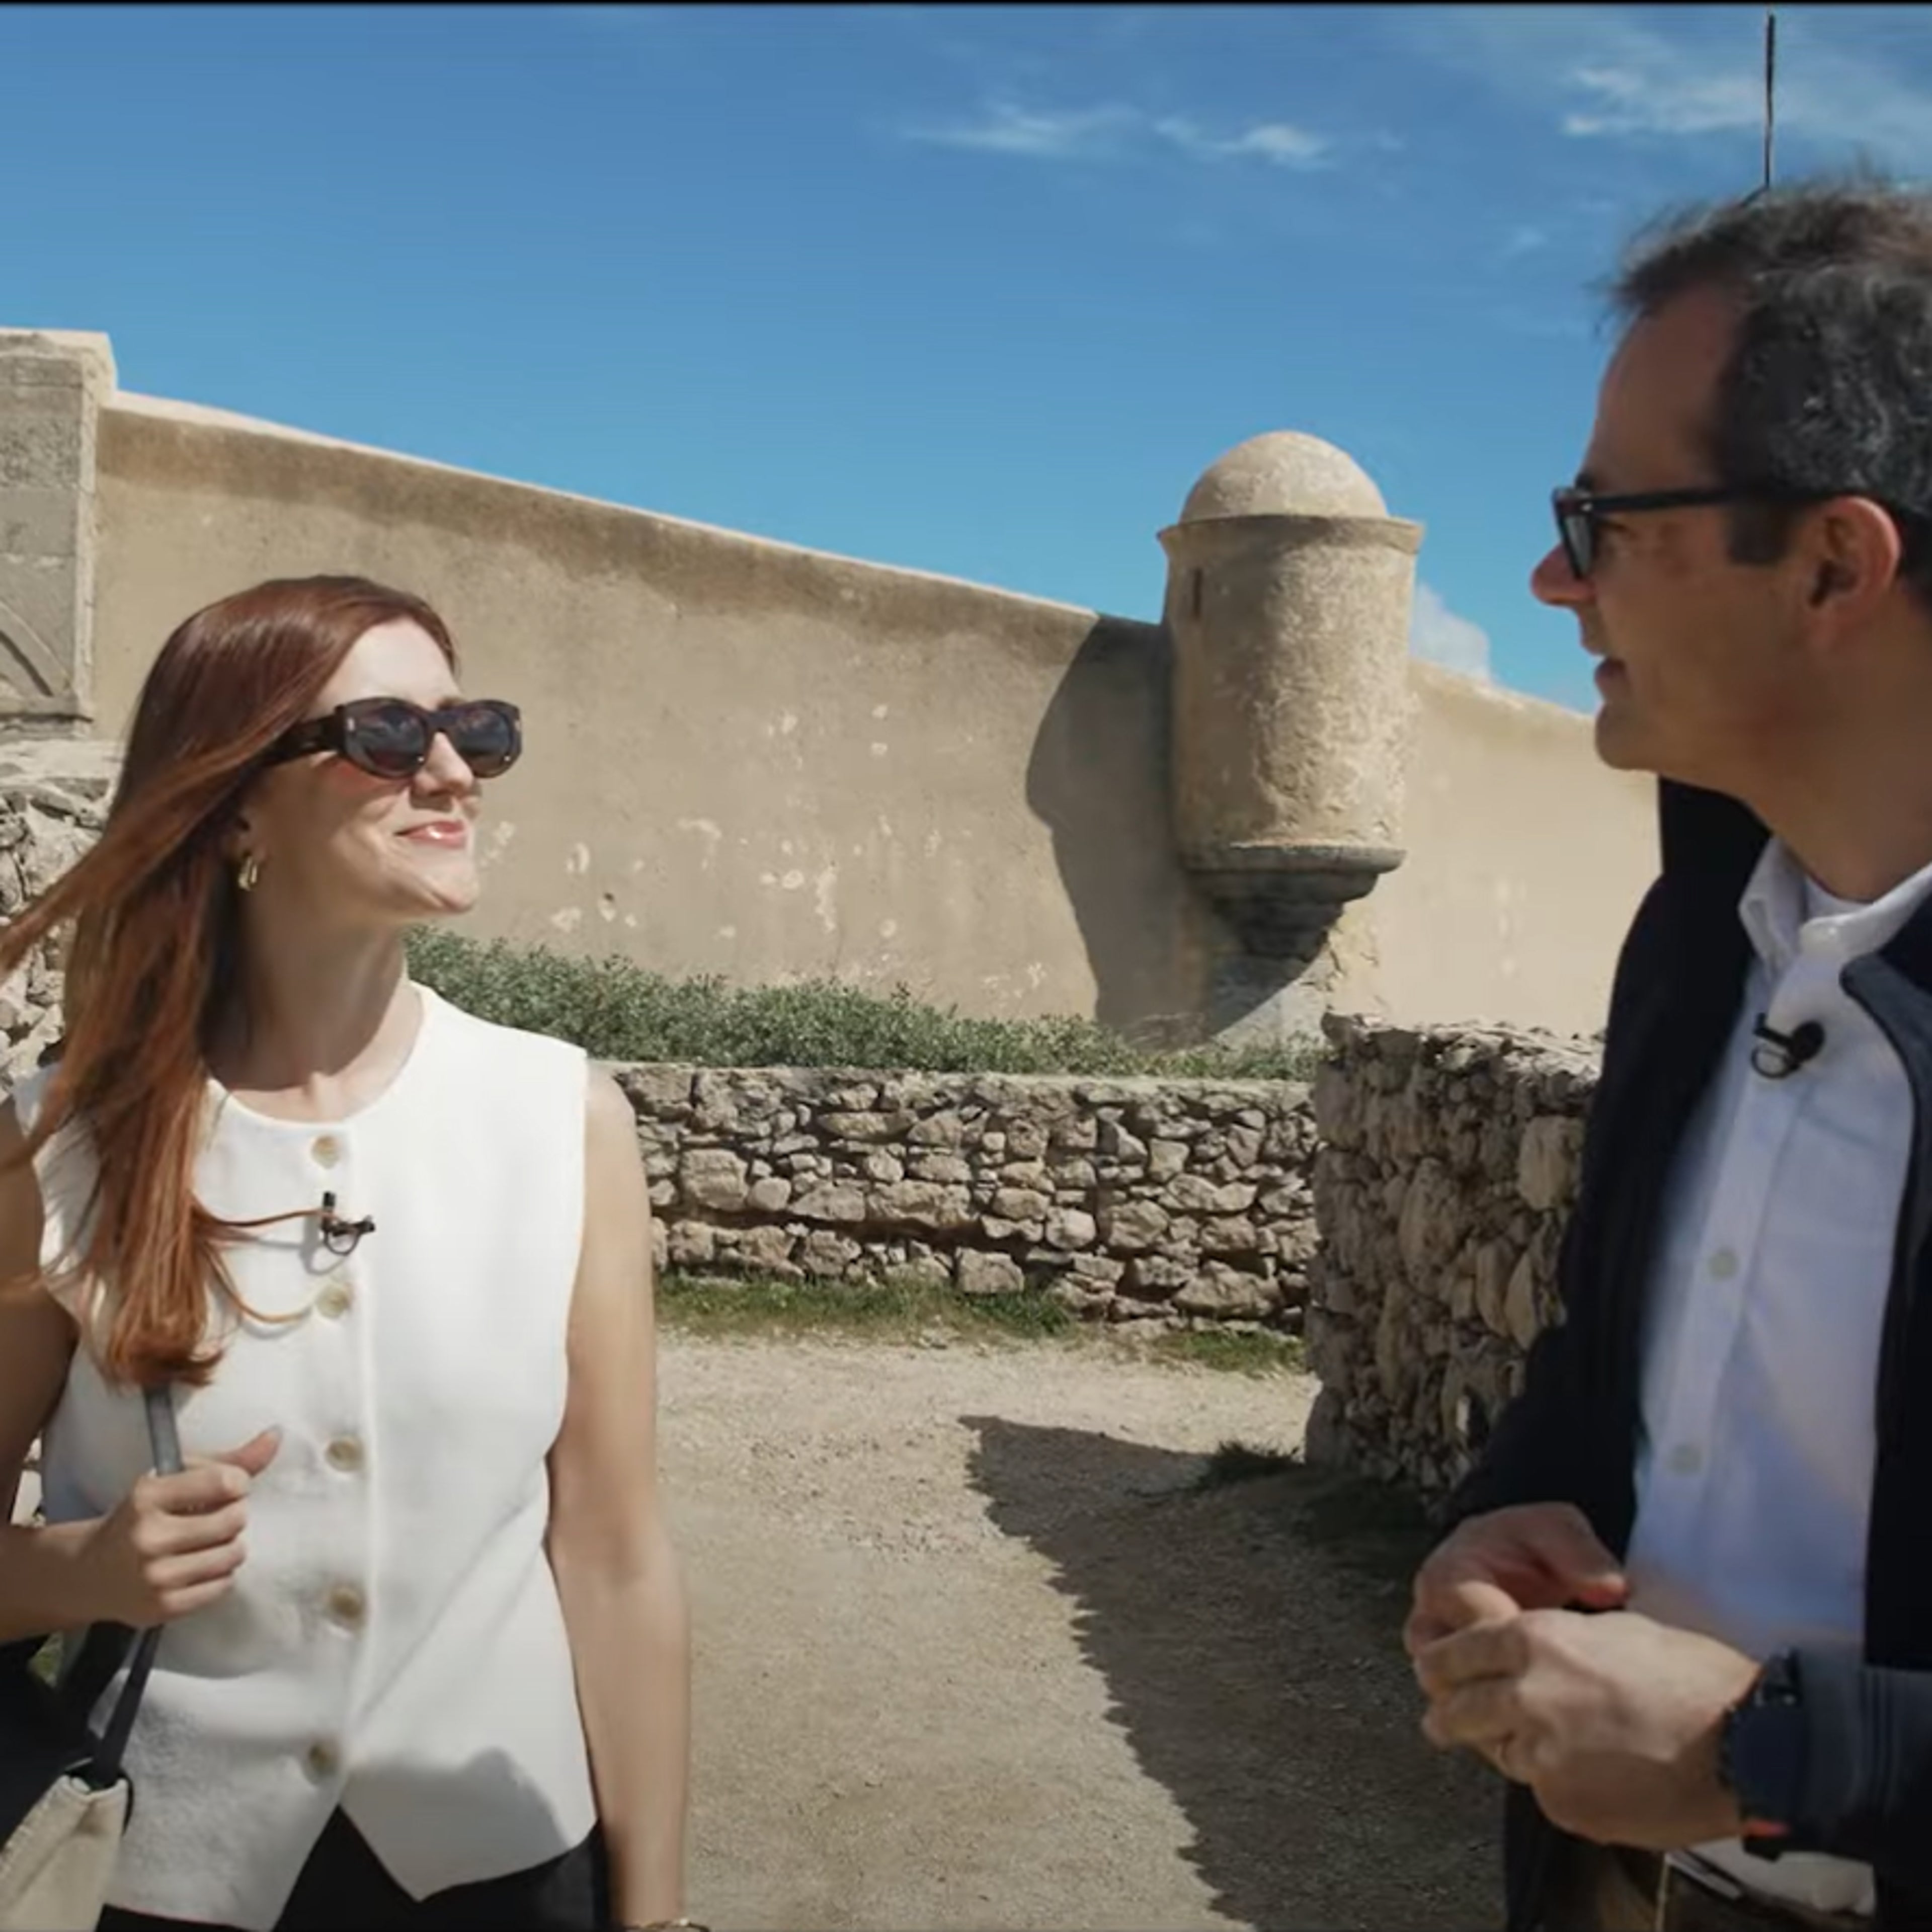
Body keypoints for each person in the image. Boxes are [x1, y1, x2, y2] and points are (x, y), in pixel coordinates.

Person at [0, 577, 698, 1932]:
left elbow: (614, 1555)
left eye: (476, 731)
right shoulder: (59, 1146)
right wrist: (81, 1573)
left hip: (508, 1880)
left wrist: (656, 1915)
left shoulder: (563, 1118)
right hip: (152, 1877)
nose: (452, 771)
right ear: (239, 801)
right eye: (385, 732)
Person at [1407, 178, 1932, 1932]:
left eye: (1605, 517)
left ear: (1836, 565)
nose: (1553, 578)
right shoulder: (1707, 945)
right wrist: (1504, 1524)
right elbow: (1610, 1364)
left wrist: (1779, 1755)